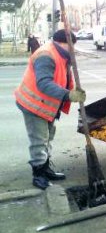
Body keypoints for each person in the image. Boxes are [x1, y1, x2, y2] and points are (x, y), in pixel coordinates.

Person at [15, 29, 86, 190]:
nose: (73, 49)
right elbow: (44, 83)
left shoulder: (60, 54)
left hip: (46, 106)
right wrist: (69, 95)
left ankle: (45, 168)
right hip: (34, 105)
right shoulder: (46, 56)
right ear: (63, 43)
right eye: (71, 45)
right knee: (39, 140)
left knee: (48, 137)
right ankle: (38, 174)